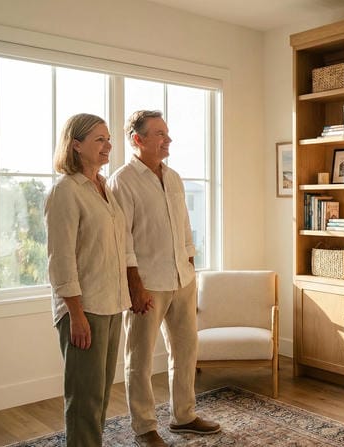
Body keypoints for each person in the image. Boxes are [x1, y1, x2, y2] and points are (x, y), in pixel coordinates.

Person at [108, 110, 220, 447]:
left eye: (167, 133)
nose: (168, 139)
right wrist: (135, 286)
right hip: (147, 284)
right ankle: (144, 428)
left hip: (182, 279)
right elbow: (123, 241)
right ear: (137, 139)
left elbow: (184, 226)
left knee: (186, 350)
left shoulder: (173, 177)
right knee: (139, 359)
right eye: (159, 133)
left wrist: (190, 264)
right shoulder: (122, 181)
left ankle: (183, 416)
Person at [45, 113, 131, 446]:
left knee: (100, 395)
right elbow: (61, 260)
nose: (108, 145)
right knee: (84, 399)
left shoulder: (104, 187)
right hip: (84, 308)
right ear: (76, 145)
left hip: (111, 304)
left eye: (109, 139)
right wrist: (76, 314)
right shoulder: (65, 192)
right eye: (100, 139)